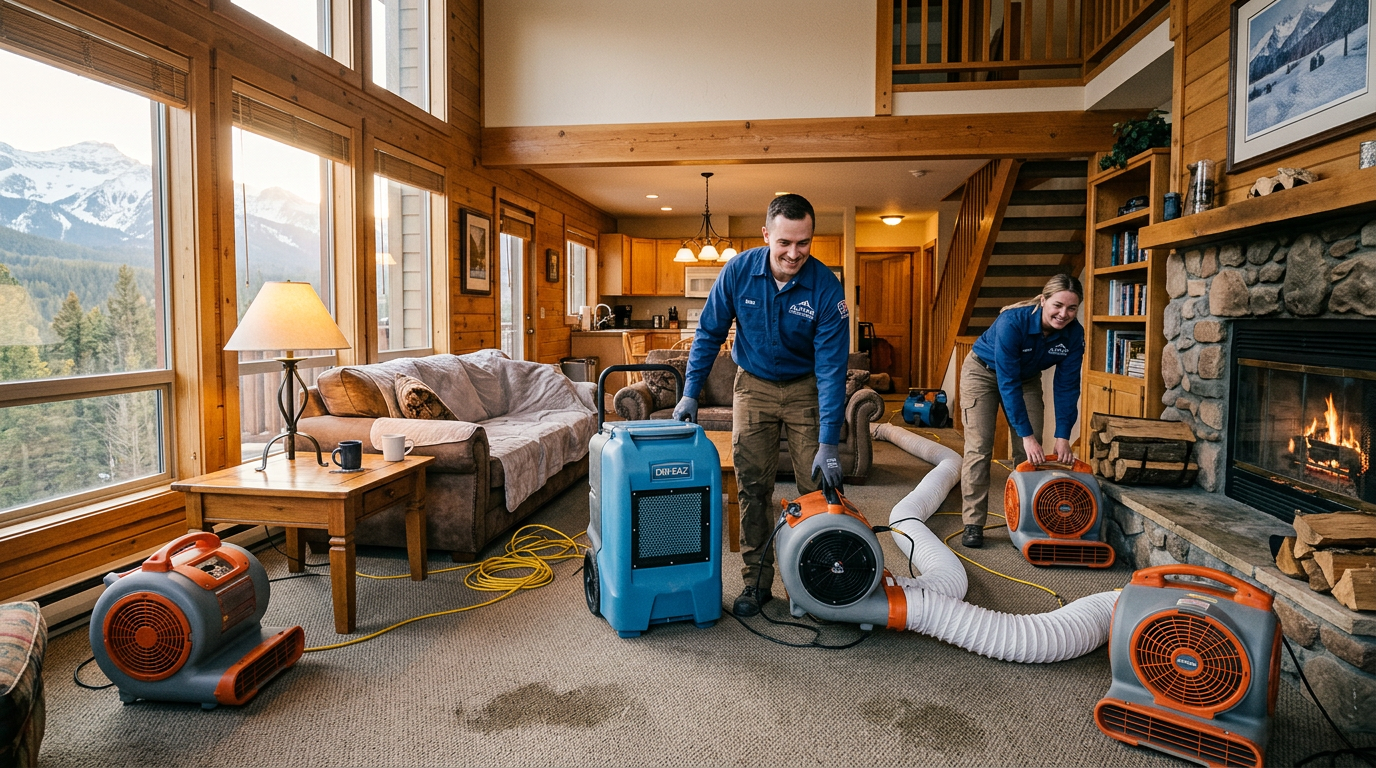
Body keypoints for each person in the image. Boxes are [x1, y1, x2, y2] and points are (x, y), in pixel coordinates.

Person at [672, 194, 850, 617]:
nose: (794, 253)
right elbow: (709, 334)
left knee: (819, 490)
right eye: (784, 242)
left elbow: (831, 368)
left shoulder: (826, 288)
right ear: (767, 234)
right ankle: (755, 582)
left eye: (803, 243)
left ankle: (819, 581)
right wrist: (690, 392)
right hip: (753, 385)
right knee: (752, 487)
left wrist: (828, 442)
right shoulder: (738, 272)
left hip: (806, 387)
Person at [958, 273, 1084, 548]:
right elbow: (1007, 382)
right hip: (982, 373)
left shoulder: (1074, 334)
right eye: (1058, 305)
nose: (1063, 314)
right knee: (980, 446)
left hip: (1026, 379)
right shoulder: (1012, 322)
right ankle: (973, 523)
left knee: (1031, 450)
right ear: (1043, 300)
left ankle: (1025, 520)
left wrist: (1063, 435)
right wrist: (1024, 434)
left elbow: (1067, 386)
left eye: (1071, 308)